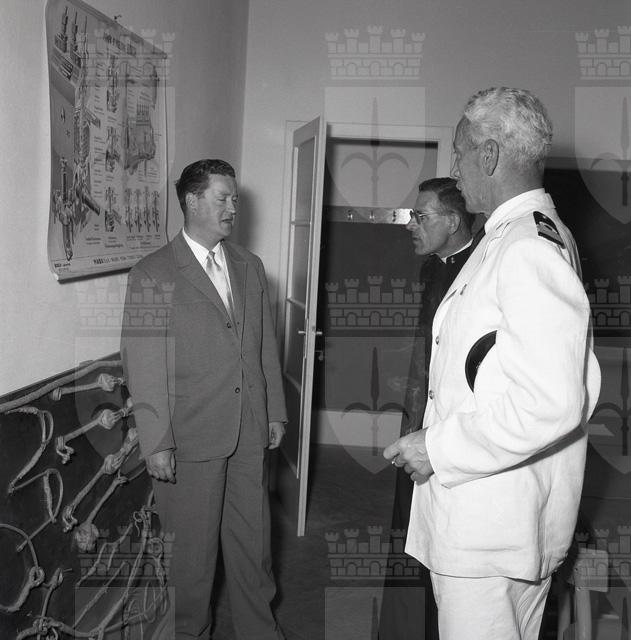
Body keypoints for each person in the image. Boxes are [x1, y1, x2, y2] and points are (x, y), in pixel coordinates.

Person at [383, 87, 601, 640]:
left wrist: (437, 448)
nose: (454, 169)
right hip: (493, 519)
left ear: (489, 155)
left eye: (459, 153)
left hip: (491, 529)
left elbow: (550, 401)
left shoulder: (527, 245)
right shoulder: (508, 235)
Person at [121, 158, 287, 640]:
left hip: (248, 432)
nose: (233, 207)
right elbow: (143, 364)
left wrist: (275, 411)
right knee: (191, 563)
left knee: (254, 550)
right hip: (189, 439)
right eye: (223, 198)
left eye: (235, 198)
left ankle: (261, 632)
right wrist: (157, 441)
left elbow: (264, 346)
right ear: (192, 201)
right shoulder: (152, 272)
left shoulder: (249, 266)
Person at [379, 177, 477, 640]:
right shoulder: (431, 268)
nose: (410, 224)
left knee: (447, 542)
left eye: (421, 216)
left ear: (453, 221)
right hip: (418, 415)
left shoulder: (484, 269)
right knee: (407, 531)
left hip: (458, 431)